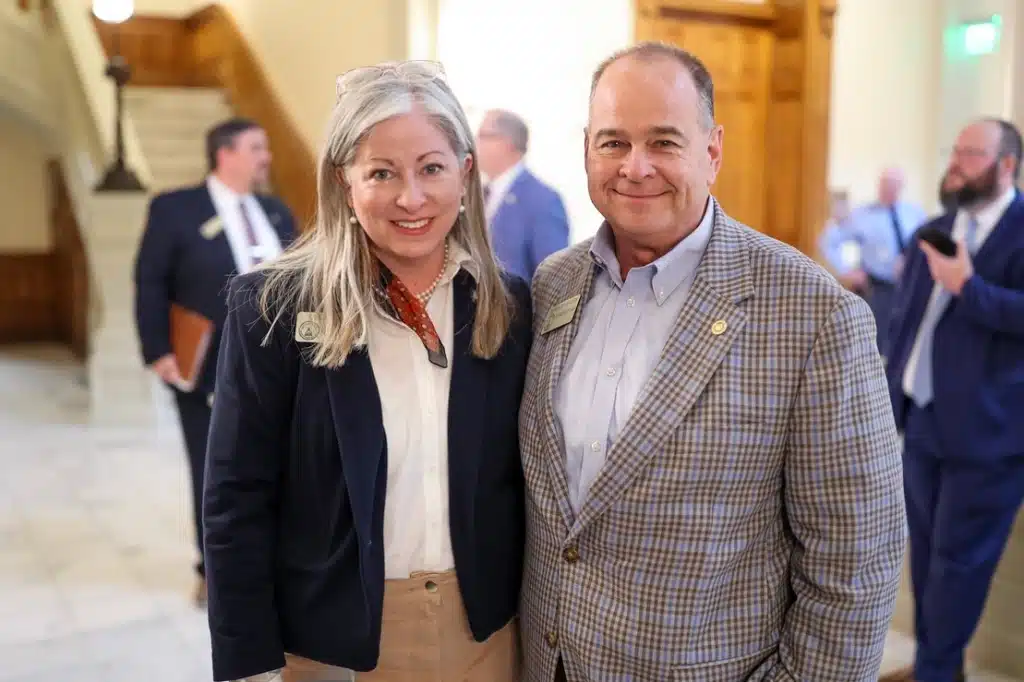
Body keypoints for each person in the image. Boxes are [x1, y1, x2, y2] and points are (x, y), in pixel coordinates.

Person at [518, 41, 906, 682]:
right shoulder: (553, 286)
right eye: (613, 142)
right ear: (587, 147)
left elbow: (856, 565)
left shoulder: (812, 315)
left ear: (712, 150)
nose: (635, 168)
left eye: (664, 142)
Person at [202, 61, 531, 682]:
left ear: (464, 173)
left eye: (432, 168)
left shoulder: (506, 306)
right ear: (344, 183)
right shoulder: (272, 309)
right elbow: (236, 500)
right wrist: (248, 660)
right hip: (332, 642)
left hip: (484, 633)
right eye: (382, 172)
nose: (412, 197)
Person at [882, 118, 1024, 682]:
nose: (957, 162)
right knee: (924, 568)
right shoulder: (936, 228)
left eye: (972, 153)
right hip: (921, 424)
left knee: (958, 571)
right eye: (956, 150)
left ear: (1006, 164)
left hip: (989, 438)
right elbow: (905, 324)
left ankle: (935, 673)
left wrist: (970, 287)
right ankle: (937, 669)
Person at [133, 117, 295, 603]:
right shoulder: (176, 208)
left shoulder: (276, 210)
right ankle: (215, 570)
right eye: (256, 147)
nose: (265, 157)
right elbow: (150, 282)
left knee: (276, 468)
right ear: (225, 154)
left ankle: (272, 561)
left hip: (278, 366)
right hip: (206, 365)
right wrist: (158, 350)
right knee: (212, 470)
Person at [819, 167, 927, 354]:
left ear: (901, 187)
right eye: (885, 184)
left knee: (904, 345)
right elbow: (828, 241)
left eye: (893, 185)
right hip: (878, 290)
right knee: (875, 346)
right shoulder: (862, 215)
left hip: (909, 288)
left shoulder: (914, 214)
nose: (888, 190)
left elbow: (925, 246)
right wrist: (846, 271)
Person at [476, 109, 569, 281]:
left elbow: (554, 280)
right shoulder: (477, 195)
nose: (475, 142)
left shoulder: (542, 201)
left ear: (507, 143)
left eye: (483, 135)